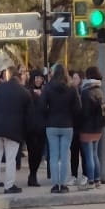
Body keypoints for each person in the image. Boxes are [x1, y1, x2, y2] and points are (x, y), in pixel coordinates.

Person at [0, 66, 31, 195]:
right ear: (19, 78)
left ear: (7, 76)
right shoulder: (24, 92)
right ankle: (9, 185)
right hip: (14, 131)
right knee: (11, 159)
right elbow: (29, 116)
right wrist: (25, 133)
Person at [41, 65, 81, 193]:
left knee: (53, 155)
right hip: (67, 125)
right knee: (65, 155)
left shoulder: (48, 88)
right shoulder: (71, 89)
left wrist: (48, 114)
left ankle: (54, 184)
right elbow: (78, 108)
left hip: (52, 124)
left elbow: (41, 106)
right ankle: (63, 184)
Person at [78, 66, 105, 189]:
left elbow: (84, 112)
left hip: (87, 127)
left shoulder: (85, 92)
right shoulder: (100, 90)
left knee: (89, 155)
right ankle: (97, 179)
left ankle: (91, 180)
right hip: (98, 127)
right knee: (94, 154)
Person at [25, 69, 47, 187]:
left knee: (39, 153)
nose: (38, 80)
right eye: (36, 77)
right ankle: (32, 175)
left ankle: (34, 173)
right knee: (32, 151)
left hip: (42, 126)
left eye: (40, 78)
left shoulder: (45, 91)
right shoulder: (27, 91)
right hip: (30, 127)